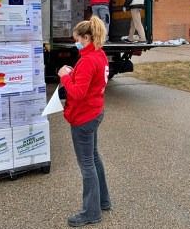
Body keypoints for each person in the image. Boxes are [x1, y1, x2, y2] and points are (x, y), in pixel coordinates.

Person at [58, 16, 111, 227]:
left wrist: (64, 76)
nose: (75, 42)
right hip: (94, 112)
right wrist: (74, 74)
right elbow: (87, 82)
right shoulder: (98, 55)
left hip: (84, 117)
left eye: (77, 39)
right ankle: (103, 201)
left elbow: (78, 93)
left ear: (86, 37)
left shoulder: (88, 60)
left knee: (87, 164)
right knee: (94, 158)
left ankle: (91, 212)